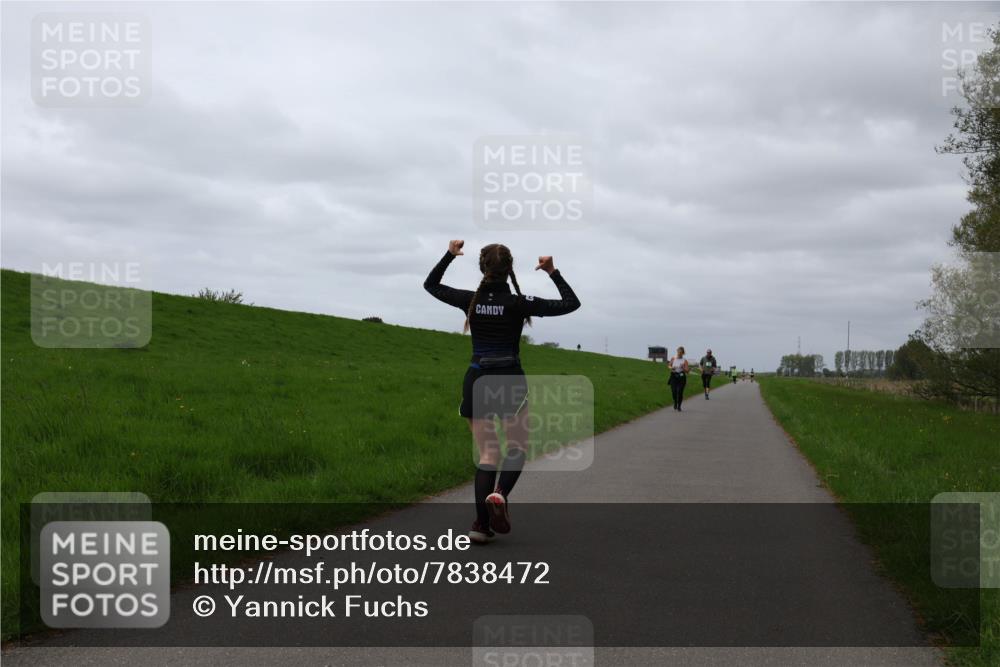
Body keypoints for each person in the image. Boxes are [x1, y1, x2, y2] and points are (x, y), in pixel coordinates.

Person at [424, 240, 580, 544]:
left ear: (483, 267)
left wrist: (450, 255)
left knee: (488, 454)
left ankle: (480, 525)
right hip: (509, 378)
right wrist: (552, 271)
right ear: (510, 269)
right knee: (516, 449)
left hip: (477, 378)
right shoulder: (519, 303)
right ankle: (499, 494)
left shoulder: (469, 299)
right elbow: (570, 303)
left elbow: (431, 285)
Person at [668, 346, 689, 411]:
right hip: (673, 376)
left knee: (680, 392)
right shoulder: (673, 358)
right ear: (677, 352)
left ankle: (679, 406)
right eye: (678, 352)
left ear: (683, 353)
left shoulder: (684, 360)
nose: (679, 354)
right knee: (674, 391)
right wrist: (672, 368)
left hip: (681, 377)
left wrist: (683, 368)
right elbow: (669, 366)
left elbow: (687, 371)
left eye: (680, 353)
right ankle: (675, 402)